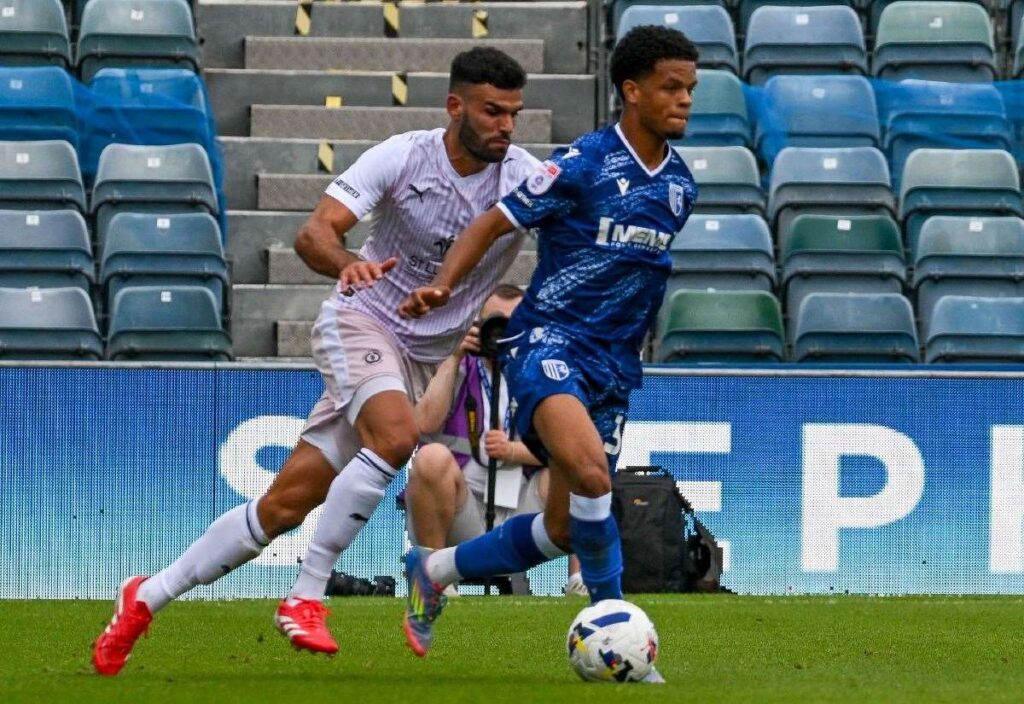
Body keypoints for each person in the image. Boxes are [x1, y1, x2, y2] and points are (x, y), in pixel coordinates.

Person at [92, 47, 541, 675]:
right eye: (493, 111)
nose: (506, 126)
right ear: (455, 106)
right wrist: (347, 263)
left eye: (514, 114)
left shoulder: (524, 176)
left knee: (283, 505)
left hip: (413, 359)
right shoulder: (402, 156)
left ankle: (147, 595)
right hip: (359, 320)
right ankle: (305, 595)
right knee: (397, 435)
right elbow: (314, 233)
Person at [398, 25, 700, 679]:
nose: (684, 100)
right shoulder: (583, 163)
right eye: (671, 87)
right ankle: (619, 633)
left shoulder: (679, 186)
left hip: (614, 368)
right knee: (593, 476)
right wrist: (445, 285)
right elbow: (493, 220)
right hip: (549, 344)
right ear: (631, 90)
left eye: (690, 89)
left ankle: (434, 569)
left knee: (565, 527)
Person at [407, 283, 588, 595]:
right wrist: (452, 357)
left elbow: (578, 444)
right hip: (464, 509)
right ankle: (432, 580)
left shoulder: (543, 370)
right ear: (477, 326)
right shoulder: (457, 365)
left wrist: (514, 451)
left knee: (577, 468)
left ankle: (581, 579)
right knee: (430, 457)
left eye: (512, 324)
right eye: (494, 324)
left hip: (526, 511)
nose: (502, 335)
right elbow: (423, 424)